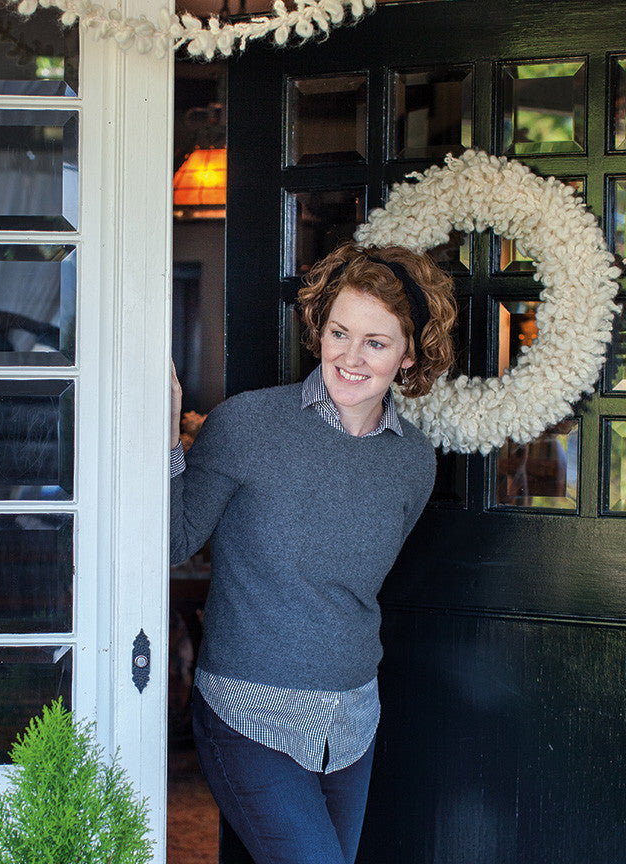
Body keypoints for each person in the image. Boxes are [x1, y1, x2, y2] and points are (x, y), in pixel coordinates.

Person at [170, 241, 457, 864]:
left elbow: (353, 583)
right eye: (338, 332)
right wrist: (167, 438)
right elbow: (172, 540)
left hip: (351, 722)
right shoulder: (245, 425)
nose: (350, 358)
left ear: (409, 356)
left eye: (376, 343)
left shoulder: (413, 461)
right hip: (247, 713)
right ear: (318, 330)